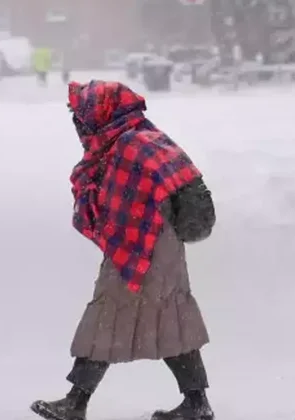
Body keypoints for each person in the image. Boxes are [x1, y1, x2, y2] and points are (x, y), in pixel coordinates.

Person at [30, 80, 216, 420]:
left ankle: (76, 402)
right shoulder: (143, 137)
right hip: (157, 245)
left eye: (82, 116)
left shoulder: (129, 146)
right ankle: (196, 403)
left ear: (102, 113)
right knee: (164, 315)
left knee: (109, 314)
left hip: (142, 248)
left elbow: (121, 203)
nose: (80, 125)